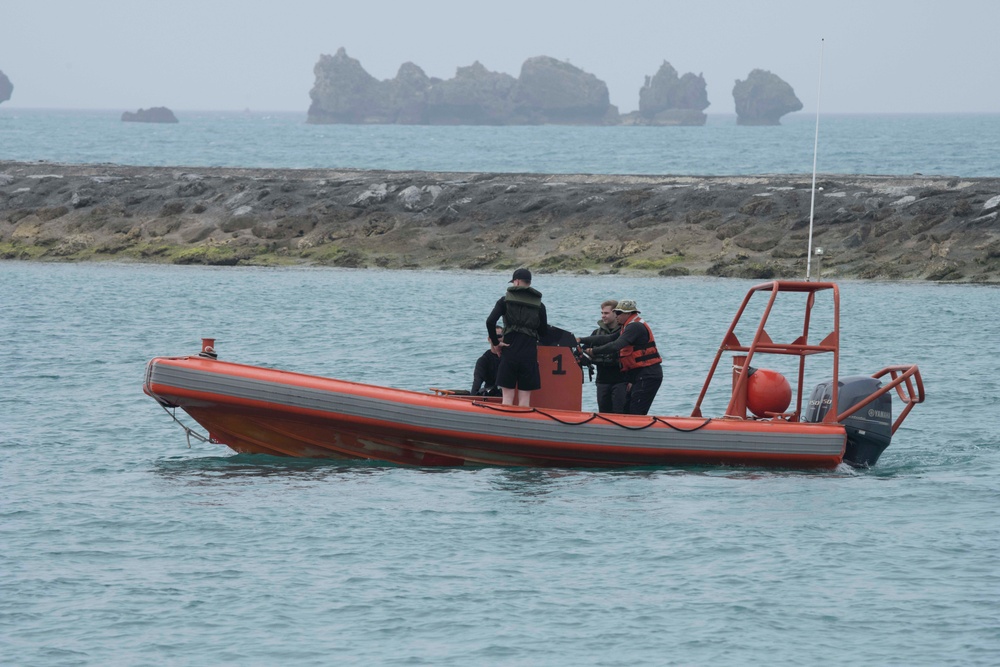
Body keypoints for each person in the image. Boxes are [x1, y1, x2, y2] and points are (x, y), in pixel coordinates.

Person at [577, 299, 662, 415]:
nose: (616, 316)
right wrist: (581, 339)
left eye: (617, 313)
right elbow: (608, 338)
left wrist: (594, 351)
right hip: (638, 374)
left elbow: (616, 345)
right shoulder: (626, 327)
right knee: (626, 411)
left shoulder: (635, 327)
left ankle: (636, 430)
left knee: (636, 412)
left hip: (648, 374)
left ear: (627, 314)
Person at [485, 268, 548, 406]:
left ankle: (505, 426)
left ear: (517, 281)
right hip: (529, 354)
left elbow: (490, 322)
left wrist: (496, 343)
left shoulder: (504, 301)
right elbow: (543, 332)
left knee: (507, 398)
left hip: (510, 351)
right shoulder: (540, 305)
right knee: (525, 400)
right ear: (529, 283)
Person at [590, 299, 628, 413]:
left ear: (615, 313)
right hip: (602, 381)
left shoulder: (626, 333)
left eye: (606, 313)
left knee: (620, 412)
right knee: (603, 413)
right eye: (602, 313)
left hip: (621, 381)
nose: (603, 316)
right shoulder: (596, 333)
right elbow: (583, 351)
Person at [472, 327, 504, 397]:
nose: (497, 339)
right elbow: (477, 383)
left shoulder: (510, 358)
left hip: (509, 394)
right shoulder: (483, 360)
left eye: (499, 336)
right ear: (489, 339)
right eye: (494, 337)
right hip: (491, 395)